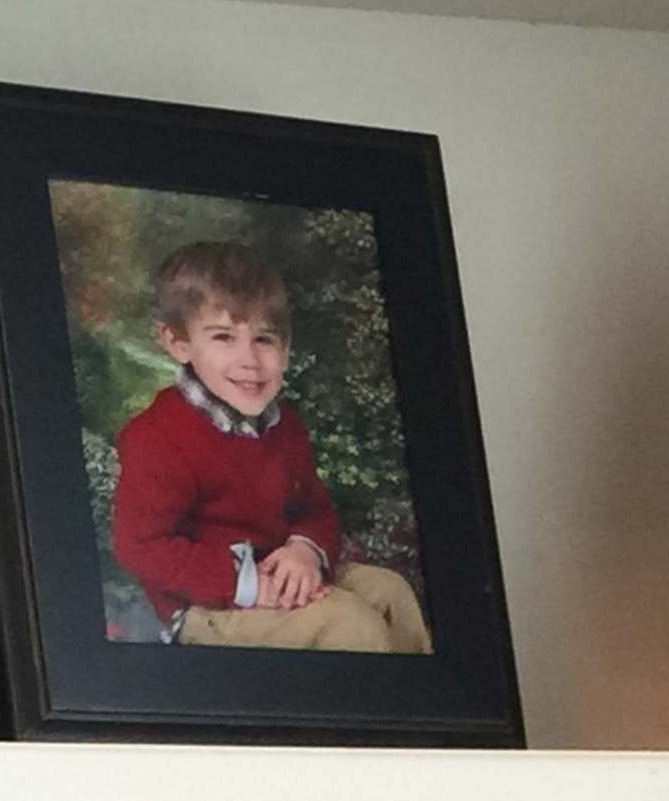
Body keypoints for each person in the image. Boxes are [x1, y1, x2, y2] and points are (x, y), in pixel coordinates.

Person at [102, 240, 432, 654]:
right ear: (178, 343)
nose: (250, 361)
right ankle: (361, 716)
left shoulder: (285, 426)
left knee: (390, 594)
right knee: (350, 625)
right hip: (207, 607)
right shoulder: (158, 436)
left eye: (264, 339)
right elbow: (142, 547)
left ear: (286, 349)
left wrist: (303, 551)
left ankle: (420, 713)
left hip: (283, 572)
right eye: (223, 337)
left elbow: (313, 509)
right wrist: (251, 586)